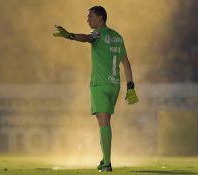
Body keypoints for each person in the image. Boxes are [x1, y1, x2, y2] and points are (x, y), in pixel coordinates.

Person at [53, 6, 138, 172]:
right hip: (115, 86)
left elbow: (86, 38)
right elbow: (126, 63)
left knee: (103, 123)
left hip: (100, 85)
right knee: (105, 123)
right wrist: (130, 86)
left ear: (100, 18)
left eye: (90, 16)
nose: (87, 19)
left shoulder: (98, 34)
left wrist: (69, 35)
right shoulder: (118, 37)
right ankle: (104, 158)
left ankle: (107, 163)